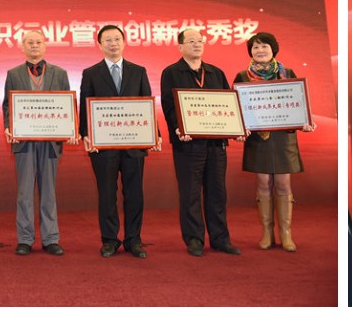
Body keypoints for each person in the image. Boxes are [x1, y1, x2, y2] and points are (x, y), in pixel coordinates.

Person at [78, 25, 160, 258]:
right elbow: (85, 105)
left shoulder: (138, 71)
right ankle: (110, 240)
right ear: (99, 44)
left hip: (134, 143)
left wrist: (154, 133)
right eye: (107, 40)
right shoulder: (91, 73)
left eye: (117, 39)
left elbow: (147, 103)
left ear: (124, 42)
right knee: (107, 194)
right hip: (103, 145)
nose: (113, 43)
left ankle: (134, 239)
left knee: (134, 194)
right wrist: (85, 134)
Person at [160, 28, 242, 257]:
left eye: (200, 41)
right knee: (190, 193)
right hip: (188, 143)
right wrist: (178, 128)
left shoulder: (216, 72)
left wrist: (236, 128)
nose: (197, 44)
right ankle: (194, 238)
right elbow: (169, 105)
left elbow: (228, 104)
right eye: (191, 41)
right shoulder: (171, 72)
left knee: (217, 192)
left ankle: (220, 238)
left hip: (216, 144)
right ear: (180, 46)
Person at [232, 32, 314, 252]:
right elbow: (236, 108)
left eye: (264, 46)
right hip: (257, 137)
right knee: (263, 183)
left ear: (273, 49)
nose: (260, 51)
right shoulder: (242, 77)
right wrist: (238, 127)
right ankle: (267, 232)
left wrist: (305, 121)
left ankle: (286, 232)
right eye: (255, 47)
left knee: (283, 183)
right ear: (250, 51)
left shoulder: (287, 74)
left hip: (283, 137)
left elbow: (298, 104)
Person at [2, 29, 77, 256]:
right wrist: (9, 127)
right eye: (29, 42)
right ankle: (25, 239)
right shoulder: (13, 74)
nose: (34, 46)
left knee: (48, 192)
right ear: (22, 47)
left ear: (45, 45)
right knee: (24, 192)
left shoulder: (60, 73)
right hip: (24, 141)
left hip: (51, 141)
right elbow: (8, 105)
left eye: (38, 42)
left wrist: (71, 128)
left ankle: (50, 238)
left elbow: (68, 104)